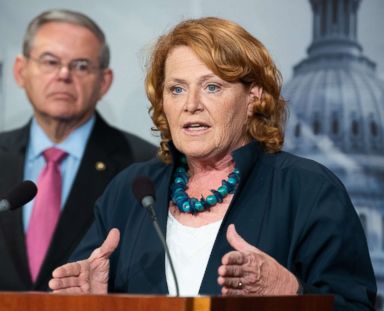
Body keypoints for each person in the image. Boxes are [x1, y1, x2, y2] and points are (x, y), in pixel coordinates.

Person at [49, 17, 376, 310]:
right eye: (176, 89)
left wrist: (293, 293)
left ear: (254, 97)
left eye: (212, 87)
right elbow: (81, 284)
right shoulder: (130, 190)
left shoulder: (309, 189)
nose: (191, 104)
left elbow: (355, 304)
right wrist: (89, 300)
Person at [0, 9, 157, 291]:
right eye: (50, 61)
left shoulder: (143, 167)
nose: (63, 75)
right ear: (20, 71)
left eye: (81, 65)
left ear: (104, 82)